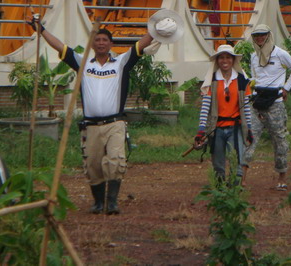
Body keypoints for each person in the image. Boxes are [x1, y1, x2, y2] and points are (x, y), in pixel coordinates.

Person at [27, 11, 179, 214]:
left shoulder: (121, 62)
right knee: (93, 165)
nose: (100, 43)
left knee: (115, 162)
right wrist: (41, 30)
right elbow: (60, 46)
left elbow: (140, 45)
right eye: (97, 40)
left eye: (104, 40)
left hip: (115, 124)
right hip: (91, 126)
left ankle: (112, 202)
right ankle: (98, 203)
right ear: (92, 44)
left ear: (110, 44)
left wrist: (156, 30)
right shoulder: (83, 64)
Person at [242, 24, 291, 190]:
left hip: (275, 103)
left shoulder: (281, 54)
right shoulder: (254, 56)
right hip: (257, 101)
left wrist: (286, 88)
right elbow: (255, 77)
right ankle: (242, 177)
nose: (260, 38)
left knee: (279, 140)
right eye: (256, 36)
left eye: (262, 35)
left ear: (268, 35)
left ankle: (282, 177)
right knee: (249, 137)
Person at [194, 44, 254, 183]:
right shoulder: (212, 81)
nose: (224, 61)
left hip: (236, 127)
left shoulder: (242, 81)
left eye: (228, 57)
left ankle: (235, 189)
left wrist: (249, 128)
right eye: (221, 58)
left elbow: (246, 109)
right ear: (217, 61)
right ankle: (220, 188)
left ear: (233, 60)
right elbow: (205, 106)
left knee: (237, 159)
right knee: (218, 162)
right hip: (217, 128)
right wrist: (201, 130)